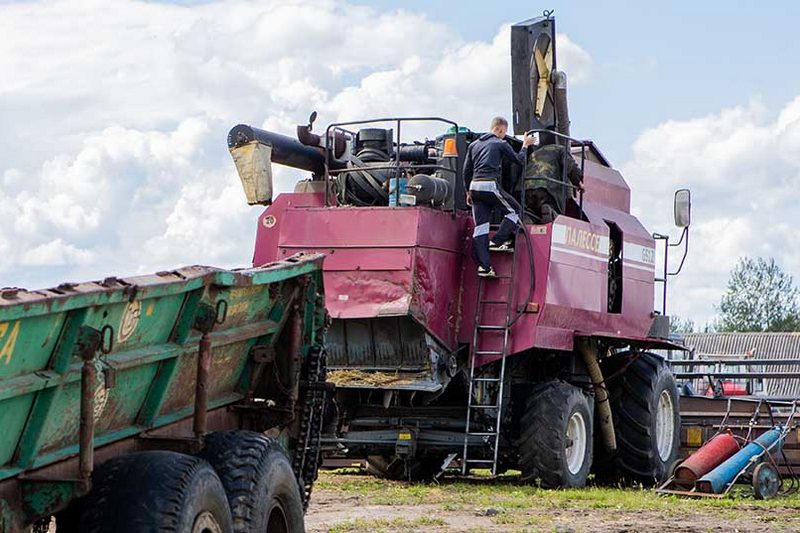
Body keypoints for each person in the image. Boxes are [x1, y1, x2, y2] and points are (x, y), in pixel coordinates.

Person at [464, 117, 535, 277]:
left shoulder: (473, 145)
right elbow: (519, 160)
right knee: (515, 210)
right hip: (489, 184)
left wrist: (468, 192)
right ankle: (498, 241)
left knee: (480, 227)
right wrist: (525, 145)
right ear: (501, 130)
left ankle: (485, 267)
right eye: (504, 132)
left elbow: (466, 171)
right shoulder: (500, 143)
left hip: (474, 187)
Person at [524, 129, 583, 224]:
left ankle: (528, 218)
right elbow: (570, 166)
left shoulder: (534, 152)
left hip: (525, 188)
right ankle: (550, 211)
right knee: (554, 208)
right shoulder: (560, 149)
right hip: (546, 188)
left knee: (531, 209)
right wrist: (579, 182)